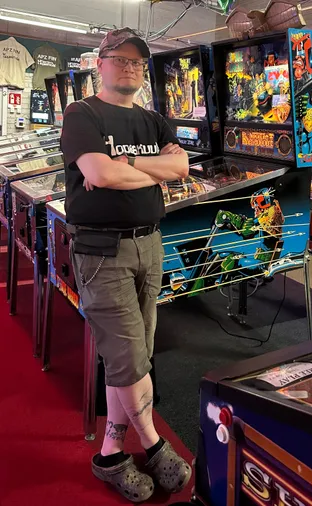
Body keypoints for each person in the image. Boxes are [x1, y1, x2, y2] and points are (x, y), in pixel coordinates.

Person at [60, 27, 191, 503]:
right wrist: (124, 169)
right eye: (122, 59)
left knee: (132, 356)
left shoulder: (153, 120)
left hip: (150, 245)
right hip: (102, 252)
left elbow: (181, 169)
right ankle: (155, 444)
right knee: (131, 358)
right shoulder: (81, 114)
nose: (132, 67)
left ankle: (111, 453)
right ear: (101, 62)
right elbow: (99, 173)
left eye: (138, 61)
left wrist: (123, 168)